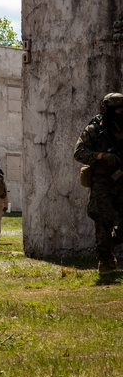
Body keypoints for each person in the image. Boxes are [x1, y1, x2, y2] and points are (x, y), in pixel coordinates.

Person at [73, 92, 123, 275]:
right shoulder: (94, 130)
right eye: (115, 109)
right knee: (102, 221)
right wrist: (101, 156)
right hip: (102, 182)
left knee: (113, 227)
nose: (119, 112)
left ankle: (112, 241)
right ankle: (105, 261)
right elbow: (79, 153)